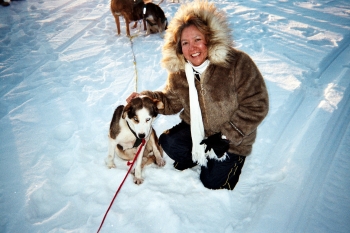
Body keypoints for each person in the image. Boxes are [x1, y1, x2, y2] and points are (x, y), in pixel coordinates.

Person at [128, 1, 269, 190]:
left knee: (211, 182)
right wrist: (144, 99)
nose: (192, 48)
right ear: (179, 47)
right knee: (169, 142)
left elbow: (257, 104)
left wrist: (227, 136)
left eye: (197, 39)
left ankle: (232, 162)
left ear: (210, 38)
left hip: (232, 137)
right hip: (198, 129)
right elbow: (170, 101)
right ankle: (199, 155)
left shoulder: (237, 63)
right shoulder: (180, 72)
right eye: (185, 43)